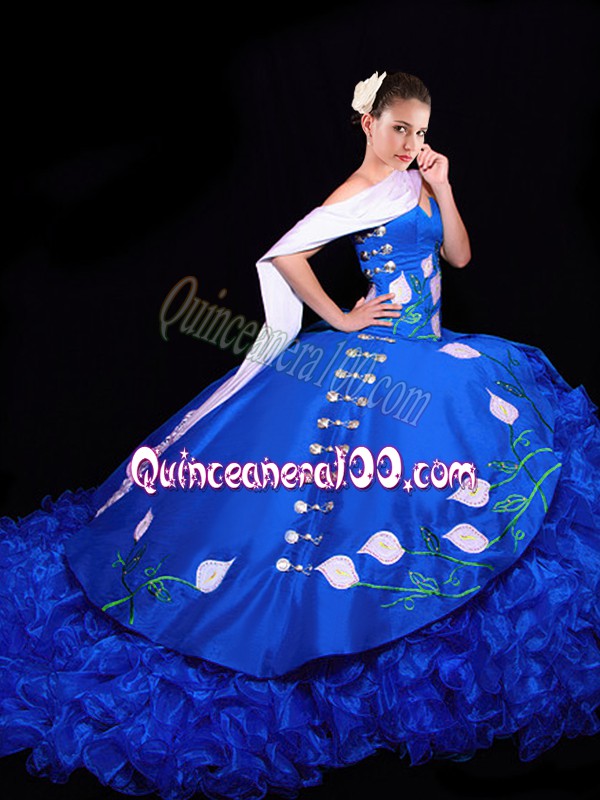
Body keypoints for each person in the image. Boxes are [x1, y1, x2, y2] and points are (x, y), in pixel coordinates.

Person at [1, 69, 598, 800]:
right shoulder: (356, 192)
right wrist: (342, 318)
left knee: (480, 455)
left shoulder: (417, 178)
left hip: (434, 348)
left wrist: (443, 187)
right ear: (368, 123)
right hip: (382, 354)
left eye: (419, 130)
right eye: (398, 128)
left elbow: (460, 257)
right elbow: (285, 255)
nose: (409, 142)